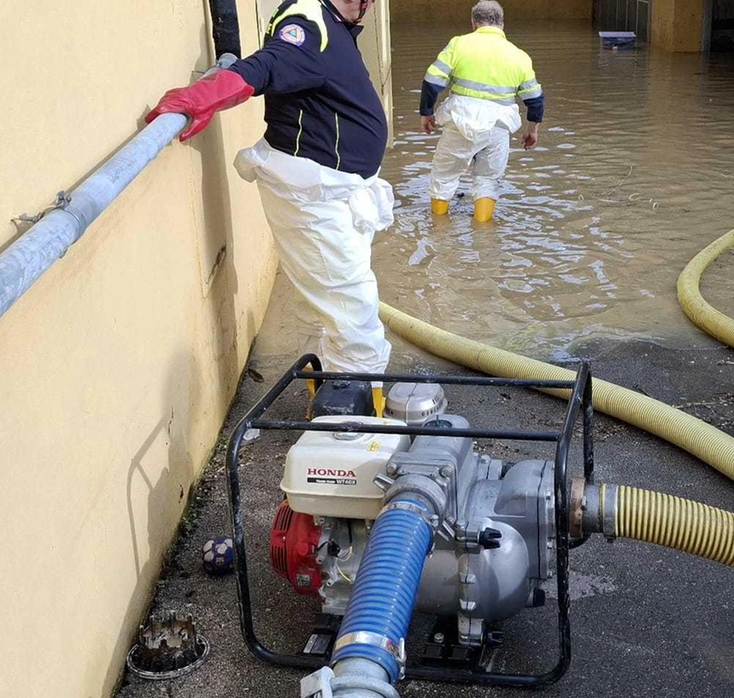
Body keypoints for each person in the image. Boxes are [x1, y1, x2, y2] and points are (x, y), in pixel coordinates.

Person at [145, 0, 394, 414]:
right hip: (314, 198)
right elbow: (265, 66)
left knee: (325, 305)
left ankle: (329, 409)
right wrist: (200, 98)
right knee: (352, 308)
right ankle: (357, 432)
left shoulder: (332, 21)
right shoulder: (308, 21)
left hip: (332, 191)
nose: (365, 5)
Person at [421, 1, 544, 223]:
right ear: (502, 24)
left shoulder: (459, 44)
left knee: (444, 175)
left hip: (460, 122)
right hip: (498, 127)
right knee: (488, 180)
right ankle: (484, 235)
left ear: (474, 23)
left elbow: (432, 81)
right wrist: (532, 130)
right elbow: (535, 100)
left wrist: (426, 112)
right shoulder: (519, 56)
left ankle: (438, 230)